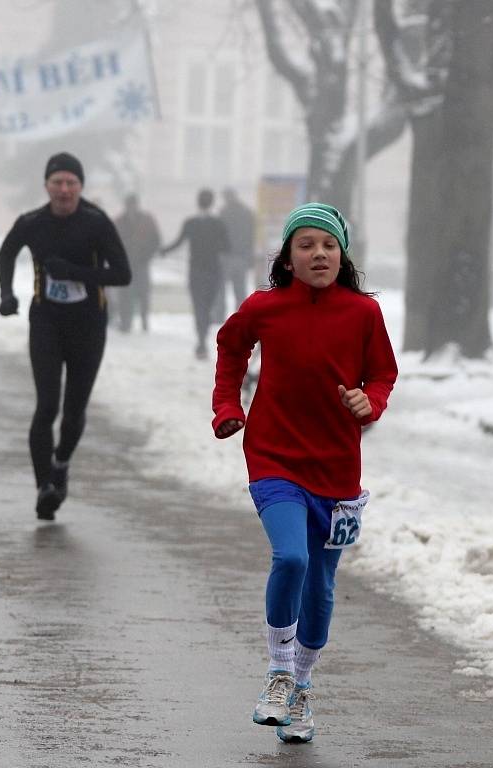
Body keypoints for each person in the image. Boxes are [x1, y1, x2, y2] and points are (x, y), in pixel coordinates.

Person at [211, 203, 398, 743]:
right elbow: (230, 347)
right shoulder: (265, 308)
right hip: (274, 456)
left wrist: (371, 401)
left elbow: (383, 371)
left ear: (342, 256)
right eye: (306, 244)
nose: (319, 253)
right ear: (288, 259)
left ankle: (303, 688)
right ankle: (277, 674)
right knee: (290, 556)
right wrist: (228, 406)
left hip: (338, 469)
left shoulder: (362, 314)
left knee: (321, 584)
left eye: (329, 245)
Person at [0, 151, 131, 520]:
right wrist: (7, 293)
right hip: (46, 321)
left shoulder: (96, 222)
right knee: (46, 407)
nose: (64, 189)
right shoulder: (32, 222)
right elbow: (7, 252)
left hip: (89, 324)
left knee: (73, 411)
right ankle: (45, 487)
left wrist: (74, 272)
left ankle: (60, 464)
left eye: (71, 182)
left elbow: (123, 274)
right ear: (47, 186)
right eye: (57, 182)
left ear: (80, 187)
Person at [160, 188, 230, 359]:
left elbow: (178, 242)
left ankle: (201, 341)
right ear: (212, 202)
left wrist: (163, 251)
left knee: (199, 306)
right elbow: (228, 247)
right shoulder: (218, 224)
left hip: (196, 272)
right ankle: (202, 340)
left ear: (197, 202)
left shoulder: (190, 223)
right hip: (213, 271)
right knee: (206, 306)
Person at [113, 193, 161, 332]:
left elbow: (156, 240)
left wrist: (147, 256)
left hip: (142, 262)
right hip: (125, 263)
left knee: (143, 292)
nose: (131, 208)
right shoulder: (119, 221)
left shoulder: (147, 220)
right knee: (125, 294)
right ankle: (125, 322)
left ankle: (144, 319)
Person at [217, 187, 255, 315]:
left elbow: (219, 236)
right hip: (242, 256)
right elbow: (251, 235)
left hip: (226, 256)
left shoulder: (223, 213)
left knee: (221, 288)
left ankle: (219, 314)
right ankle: (241, 315)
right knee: (240, 288)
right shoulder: (247, 212)